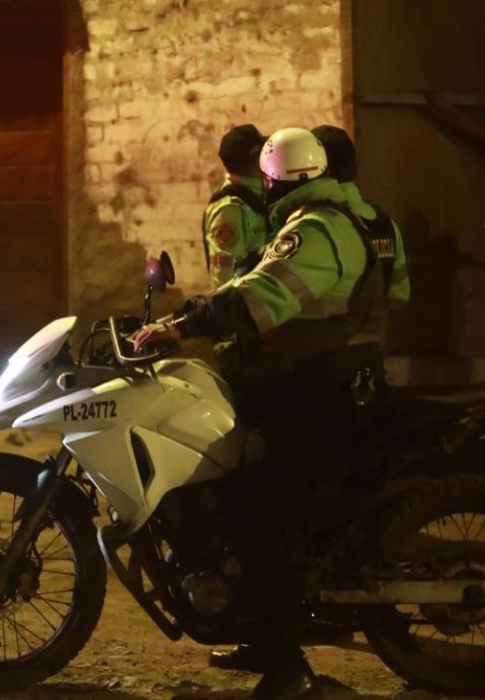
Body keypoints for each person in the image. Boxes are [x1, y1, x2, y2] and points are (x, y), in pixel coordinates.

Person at [133, 127, 387, 700]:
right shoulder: (323, 220)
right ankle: (253, 624)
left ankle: (287, 662)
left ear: (273, 181)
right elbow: (252, 279)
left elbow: (255, 297)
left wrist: (183, 325)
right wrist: (187, 316)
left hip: (317, 399)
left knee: (252, 510)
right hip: (315, 387)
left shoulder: (314, 231)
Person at [311, 125, 410, 313]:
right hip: (375, 329)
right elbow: (399, 295)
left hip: (331, 330)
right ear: (355, 169)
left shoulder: (318, 225)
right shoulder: (387, 225)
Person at [203, 125, 271, 288]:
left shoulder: (258, 196)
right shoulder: (230, 209)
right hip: (247, 301)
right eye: (264, 153)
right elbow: (224, 276)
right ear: (256, 162)